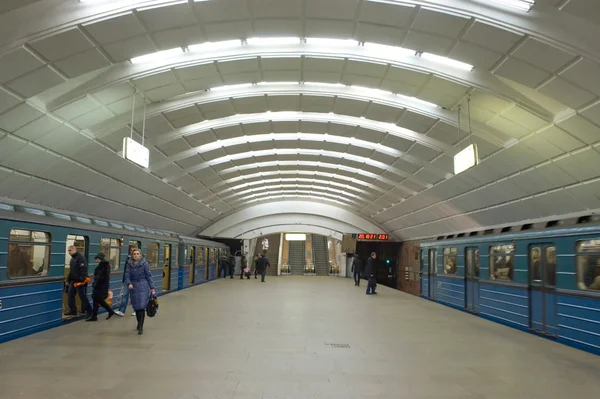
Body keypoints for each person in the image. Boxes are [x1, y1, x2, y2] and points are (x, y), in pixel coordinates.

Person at [125, 249, 155, 335]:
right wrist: (129, 283)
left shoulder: (145, 264)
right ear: (132, 255)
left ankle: (141, 326)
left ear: (140, 255)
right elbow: (127, 276)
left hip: (143, 286)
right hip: (133, 287)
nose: (136, 255)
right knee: (137, 308)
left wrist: (152, 287)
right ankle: (139, 322)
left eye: (138, 254)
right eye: (134, 254)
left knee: (141, 307)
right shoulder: (129, 265)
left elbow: (148, 276)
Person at [86, 253, 116, 321]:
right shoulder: (104, 265)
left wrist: (96, 282)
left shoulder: (104, 266)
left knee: (99, 299)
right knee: (95, 300)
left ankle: (110, 311)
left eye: (97, 259)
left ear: (100, 259)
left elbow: (101, 277)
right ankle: (94, 316)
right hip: (100, 285)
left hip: (101, 286)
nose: (96, 260)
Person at [65, 246, 92, 317]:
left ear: (74, 249)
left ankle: (89, 311)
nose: (69, 252)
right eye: (68, 251)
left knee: (82, 296)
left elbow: (83, 270)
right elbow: (71, 271)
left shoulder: (80, 258)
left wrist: (81, 280)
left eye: (70, 250)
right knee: (70, 295)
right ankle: (73, 310)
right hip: (73, 281)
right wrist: (68, 280)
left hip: (79, 281)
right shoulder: (72, 259)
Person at [115, 245, 135, 317]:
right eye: (131, 250)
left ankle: (137, 310)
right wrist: (124, 279)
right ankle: (121, 311)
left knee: (135, 295)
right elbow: (126, 271)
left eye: (133, 250)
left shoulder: (139, 260)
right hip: (128, 280)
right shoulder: (128, 259)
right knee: (125, 295)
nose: (132, 252)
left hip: (135, 281)